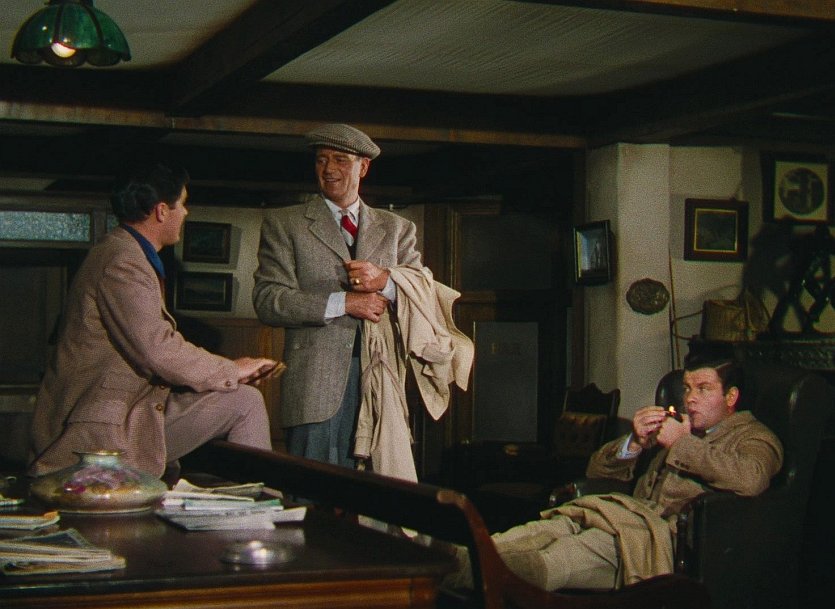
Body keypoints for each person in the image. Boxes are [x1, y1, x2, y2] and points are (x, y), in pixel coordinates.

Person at [448, 346, 783, 591]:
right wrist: (634, 442)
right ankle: (451, 558)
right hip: (617, 516)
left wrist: (681, 444)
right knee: (535, 532)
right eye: (687, 389)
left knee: (561, 556)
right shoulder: (680, 426)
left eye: (703, 389)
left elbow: (751, 479)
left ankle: (452, 572)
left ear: (731, 397)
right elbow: (596, 471)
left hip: (650, 539)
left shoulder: (754, 436)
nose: (689, 398)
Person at [28, 163, 279, 479]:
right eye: (182, 204)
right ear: (161, 211)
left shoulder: (121, 251)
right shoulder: (123, 261)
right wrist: (230, 370)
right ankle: (264, 503)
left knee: (244, 400)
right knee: (245, 402)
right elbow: (156, 349)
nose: (185, 213)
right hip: (101, 428)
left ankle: (255, 500)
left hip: (131, 412)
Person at [253, 123, 423, 468]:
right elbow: (268, 300)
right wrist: (344, 303)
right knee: (312, 488)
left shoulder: (398, 229)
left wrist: (384, 281)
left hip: (381, 380)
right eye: (321, 160)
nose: (329, 169)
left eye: (340, 160)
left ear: (363, 167)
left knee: (375, 489)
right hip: (315, 386)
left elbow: (420, 292)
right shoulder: (285, 223)